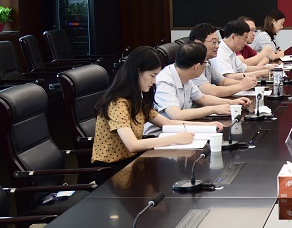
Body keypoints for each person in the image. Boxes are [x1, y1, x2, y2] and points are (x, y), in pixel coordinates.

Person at [92, 46, 224, 174]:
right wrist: (175, 139)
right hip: (113, 170)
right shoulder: (116, 103)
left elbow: (167, 122)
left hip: (134, 162)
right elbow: (132, 145)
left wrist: (206, 126)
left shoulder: (136, 99)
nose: (155, 81)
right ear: (137, 72)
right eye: (152, 75)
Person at [144, 42, 250, 135]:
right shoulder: (164, 81)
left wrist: (232, 103)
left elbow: (203, 98)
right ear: (197, 67)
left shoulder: (185, 76)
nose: (206, 65)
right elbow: (177, 115)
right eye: (205, 63)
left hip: (182, 128)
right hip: (159, 134)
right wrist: (214, 109)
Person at [189, 22, 257, 97]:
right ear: (198, 43)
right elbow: (211, 91)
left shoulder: (207, 62)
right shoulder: (192, 64)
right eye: (214, 42)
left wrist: (246, 83)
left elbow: (222, 81)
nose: (217, 46)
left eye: (217, 42)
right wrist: (241, 86)